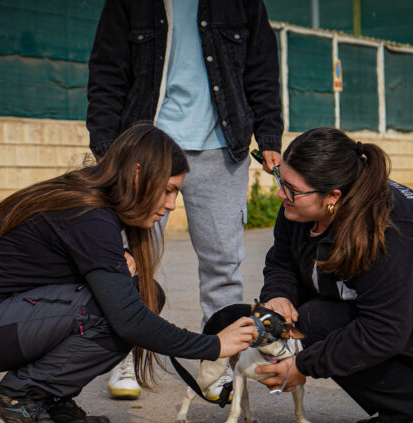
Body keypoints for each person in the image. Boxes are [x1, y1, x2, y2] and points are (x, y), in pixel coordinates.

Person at [0, 124, 258, 423]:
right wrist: (213, 345)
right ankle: (19, 398)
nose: (173, 204)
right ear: (136, 175)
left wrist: (117, 261)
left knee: (145, 295)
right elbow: (129, 320)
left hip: (0, 321)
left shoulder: (93, 204)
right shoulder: (89, 214)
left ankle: (51, 398)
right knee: (118, 310)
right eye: (167, 190)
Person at [252, 127, 413, 423]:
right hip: (401, 307)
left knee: (317, 322)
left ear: (333, 197)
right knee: (302, 317)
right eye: (281, 180)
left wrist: (303, 366)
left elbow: (384, 329)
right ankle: (404, 391)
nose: (281, 194)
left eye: (291, 189)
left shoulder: (388, 229)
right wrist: (278, 296)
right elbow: (282, 260)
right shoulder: (300, 207)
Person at [86, 0, 284, 400]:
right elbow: (107, 70)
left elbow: (262, 65)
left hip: (222, 146)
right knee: (131, 257)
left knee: (222, 264)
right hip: (147, 146)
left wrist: (269, 134)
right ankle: (125, 355)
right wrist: (107, 146)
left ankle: (218, 367)